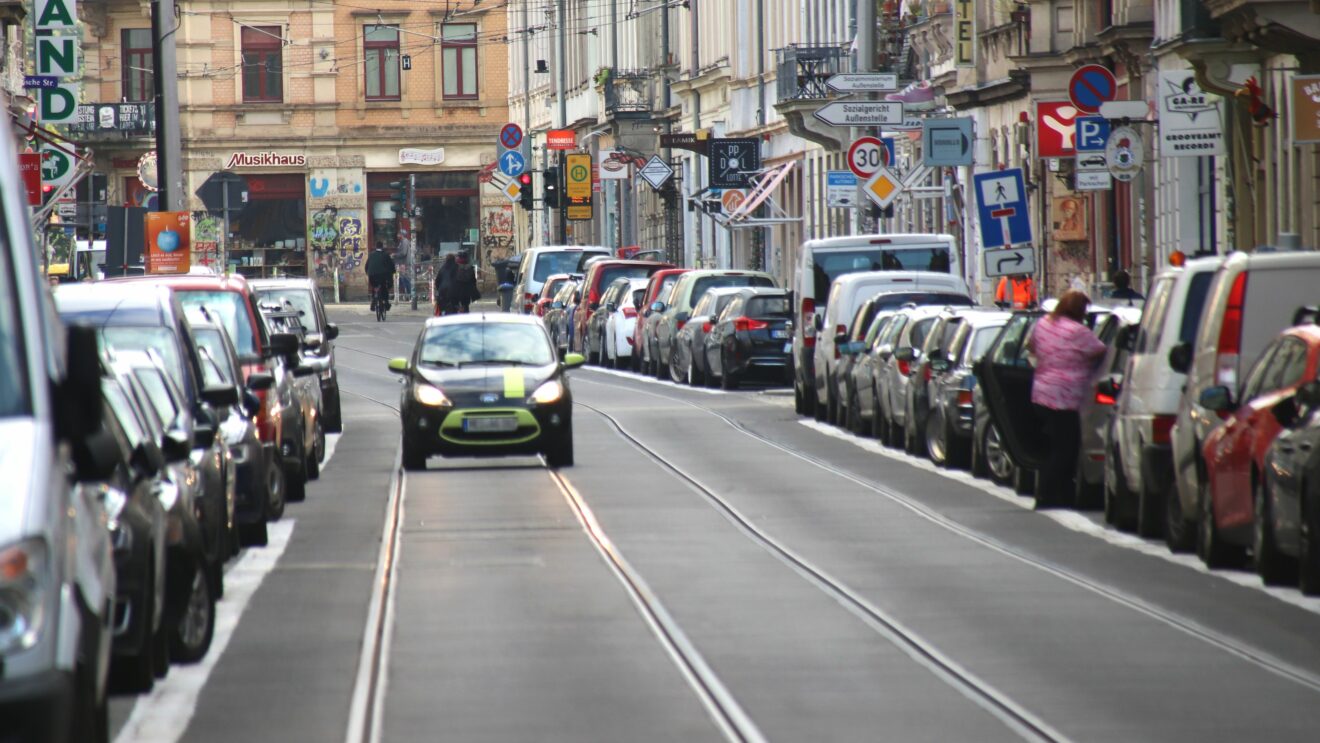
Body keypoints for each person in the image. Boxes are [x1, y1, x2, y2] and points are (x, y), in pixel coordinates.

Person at [1026, 290, 1107, 509]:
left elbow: (1030, 346)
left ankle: (1054, 494)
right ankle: (1049, 495)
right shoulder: (1079, 331)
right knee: (1067, 448)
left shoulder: (1043, 323)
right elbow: (1101, 350)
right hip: (1066, 397)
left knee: (1054, 446)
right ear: (1080, 311)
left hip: (1041, 393)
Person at [365, 240, 396, 311]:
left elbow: (366, 266)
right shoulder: (386, 254)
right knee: (384, 287)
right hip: (383, 275)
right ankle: (386, 302)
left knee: (375, 287)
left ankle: (374, 300)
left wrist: (368, 273)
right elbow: (391, 265)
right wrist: (393, 272)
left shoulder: (371, 254)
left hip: (372, 275)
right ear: (382, 247)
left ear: (376, 247)